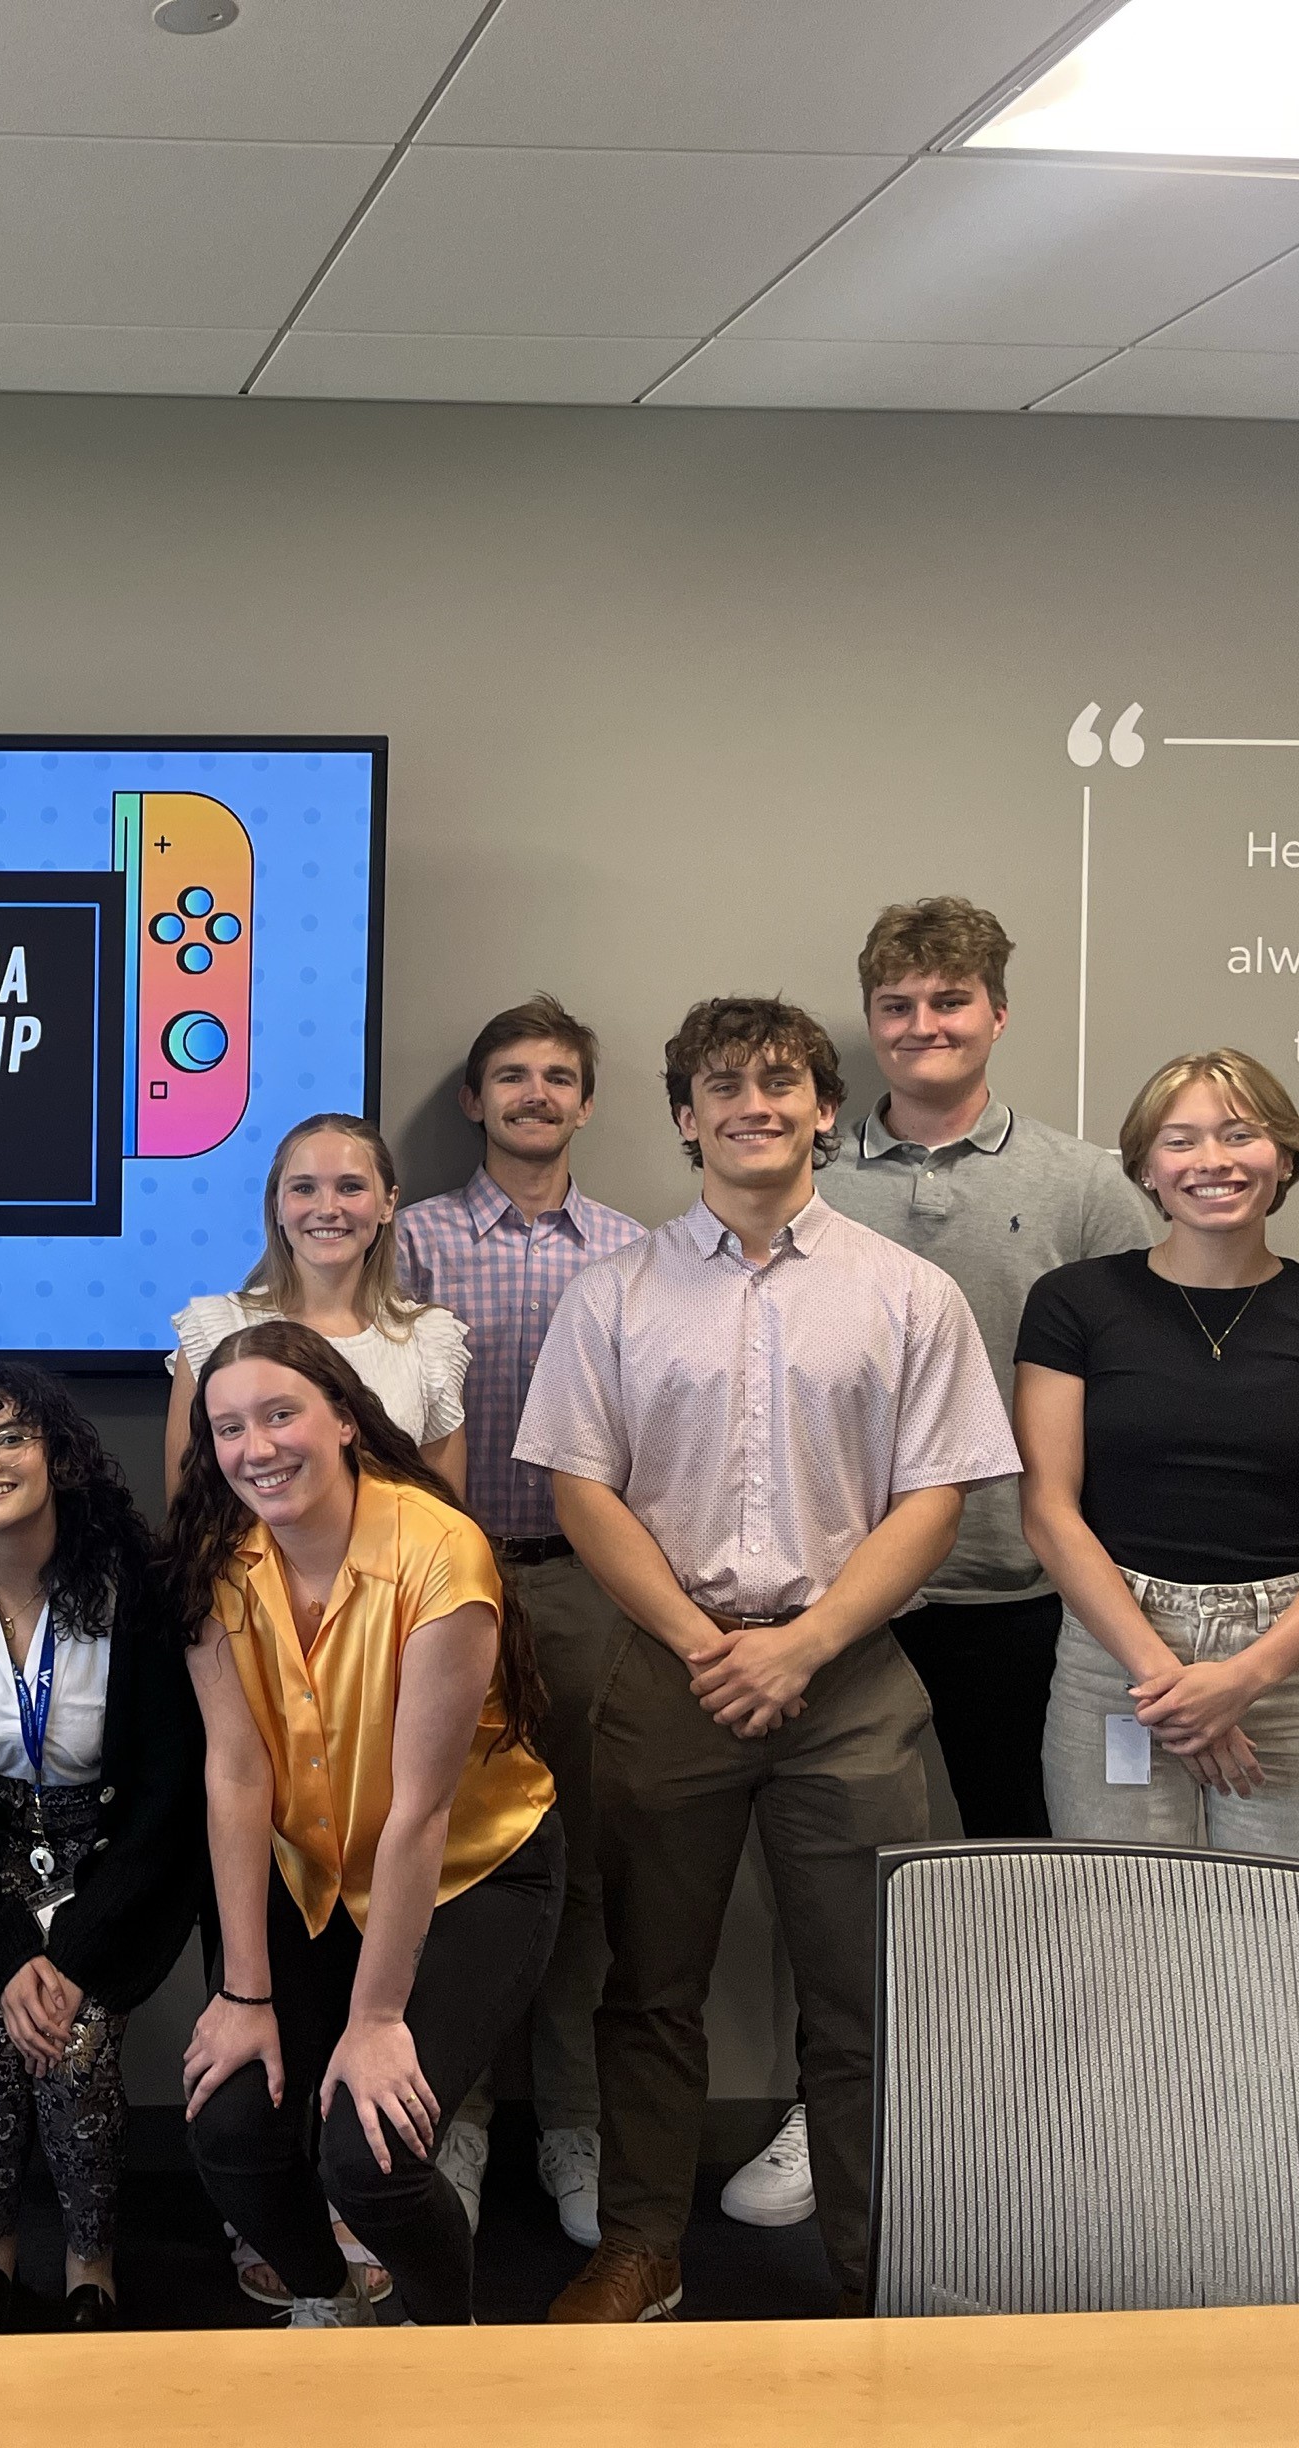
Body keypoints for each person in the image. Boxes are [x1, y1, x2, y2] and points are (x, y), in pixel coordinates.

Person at [517, 996, 1016, 2325]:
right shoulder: (612, 1288)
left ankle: (873, 2268)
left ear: (823, 1108)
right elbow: (581, 1487)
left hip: (849, 1686)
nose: (756, 1103)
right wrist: (701, 1639)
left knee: (861, 2005)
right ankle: (642, 2247)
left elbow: (937, 1498)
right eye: (724, 1085)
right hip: (669, 1674)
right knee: (647, 1988)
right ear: (685, 1117)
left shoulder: (907, 1292)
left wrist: (805, 1643)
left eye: (782, 1082)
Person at [764, 899, 1151, 2232]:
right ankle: (841, 2107)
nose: (922, 1027)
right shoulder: (803, 1170)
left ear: (996, 1012)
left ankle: (1012, 2125)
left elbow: (1137, 1377)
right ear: (870, 1023)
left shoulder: (1086, 1180)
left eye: (948, 1002)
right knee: (836, 1887)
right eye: (897, 1007)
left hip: (1018, 1593)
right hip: (843, 1600)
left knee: (1015, 1873)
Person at [173, 1321, 564, 2330]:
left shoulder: (439, 1553)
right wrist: (242, 1991)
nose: (255, 1447)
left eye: (279, 1414)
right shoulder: (218, 1557)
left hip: (467, 1872)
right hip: (313, 1873)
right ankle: (333, 2301)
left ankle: (449, 2344)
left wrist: (376, 2018)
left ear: (344, 1420)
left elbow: (420, 1809)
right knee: (229, 2126)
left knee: (370, 2152)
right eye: (227, 1428)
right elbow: (235, 1772)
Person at [0, 1363, 205, 2333]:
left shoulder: (128, 1583)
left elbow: (167, 1788)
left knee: (78, 2048)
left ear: (57, 1452)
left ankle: (92, 2259)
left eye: (10, 1437)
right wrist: (12, 1951)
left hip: (113, 1869)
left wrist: (73, 1954)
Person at [1018, 1049, 1299, 1865]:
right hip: (1117, 1661)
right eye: (1181, 1141)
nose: (1213, 1162)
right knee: (1126, 1940)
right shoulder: (1075, 1304)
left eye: (1240, 1134)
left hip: (1290, 1668)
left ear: (1286, 1157)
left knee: (1295, 1946)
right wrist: (1167, 1682)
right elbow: (1049, 1509)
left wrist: (1241, 1680)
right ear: (1146, 1169)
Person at [392, 995, 642, 2250]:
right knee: (454, 1860)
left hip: (594, 1585)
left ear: (586, 1103)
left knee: (585, 1860)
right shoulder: (413, 1245)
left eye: (558, 1077)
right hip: (449, 1590)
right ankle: (462, 2115)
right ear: (475, 1101)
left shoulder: (641, 1249)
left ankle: (576, 2125)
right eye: (511, 1076)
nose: (535, 1094)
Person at [168, 1112, 468, 1495]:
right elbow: (191, 1520)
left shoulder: (430, 1340)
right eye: (304, 1188)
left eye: (350, 1187)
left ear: (387, 1203)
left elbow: (446, 1520)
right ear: (276, 1204)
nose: (327, 1208)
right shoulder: (215, 1330)